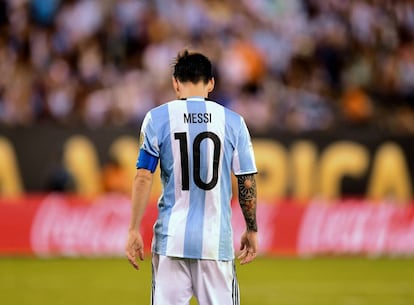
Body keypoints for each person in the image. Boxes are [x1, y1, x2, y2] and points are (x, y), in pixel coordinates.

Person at [125, 49, 258, 305]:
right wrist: (251, 228)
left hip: (171, 242)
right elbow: (247, 180)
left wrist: (133, 229)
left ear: (175, 83)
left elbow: (143, 177)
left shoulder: (157, 118)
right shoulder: (233, 122)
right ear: (211, 83)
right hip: (214, 243)